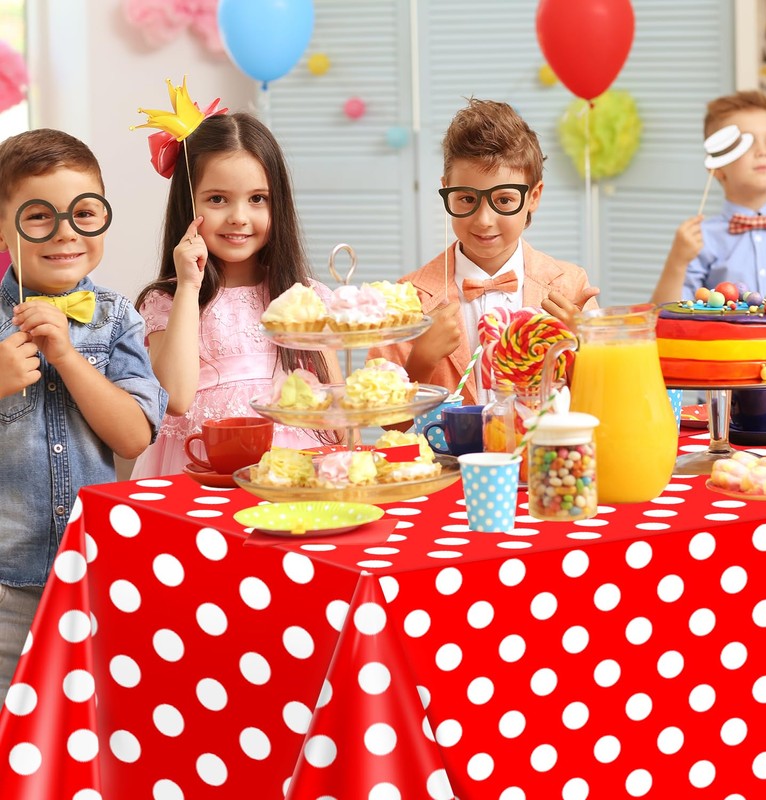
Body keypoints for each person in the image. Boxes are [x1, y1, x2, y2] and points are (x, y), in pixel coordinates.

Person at [0, 128, 166, 703]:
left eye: (84, 213)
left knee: (86, 729)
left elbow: (133, 437)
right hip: (5, 586)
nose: (66, 232)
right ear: (3, 227)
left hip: (92, 574)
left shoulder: (118, 317)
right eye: (39, 217)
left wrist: (68, 356)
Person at [132, 112, 342, 479]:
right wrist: (188, 287)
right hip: (204, 473)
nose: (239, 217)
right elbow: (176, 398)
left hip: (295, 473)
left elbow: (340, 421)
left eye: (258, 198)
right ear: (188, 205)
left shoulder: (304, 298)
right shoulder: (167, 301)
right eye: (217, 199)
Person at [367, 98, 599, 406]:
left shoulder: (570, 288)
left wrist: (586, 347)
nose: (484, 220)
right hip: (448, 455)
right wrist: (421, 359)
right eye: (465, 199)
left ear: (534, 197)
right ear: (446, 188)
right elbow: (391, 419)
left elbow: (604, 398)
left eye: (503, 200)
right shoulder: (408, 298)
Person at [651, 90, 766, 305]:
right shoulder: (699, 240)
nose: (762, 152)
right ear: (718, 168)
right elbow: (665, 314)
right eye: (746, 144)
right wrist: (677, 262)